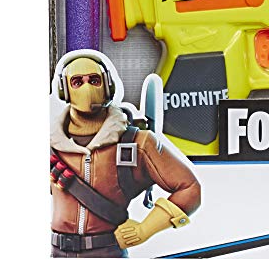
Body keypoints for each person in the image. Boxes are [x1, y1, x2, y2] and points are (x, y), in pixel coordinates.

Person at [50, 53, 201, 258]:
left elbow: (189, 189)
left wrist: (145, 229)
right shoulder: (51, 145)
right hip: (58, 253)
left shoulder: (137, 143)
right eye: (77, 82)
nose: (87, 89)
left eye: (94, 80)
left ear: (108, 85)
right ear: (64, 90)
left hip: (107, 252)